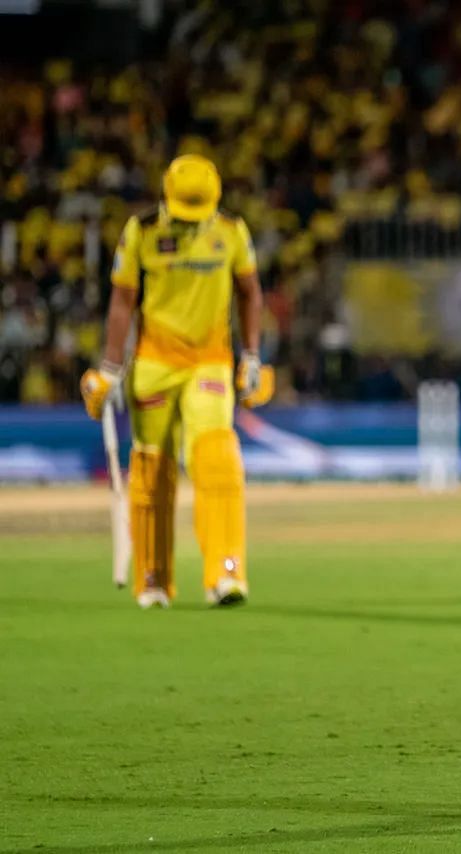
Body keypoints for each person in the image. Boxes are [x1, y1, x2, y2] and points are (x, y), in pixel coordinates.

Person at [80, 154, 274, 608]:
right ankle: (153, 579)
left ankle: (225, 574)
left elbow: (250, 293)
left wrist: (250, 357)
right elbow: (122, 303)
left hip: (209, 362)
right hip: (153, 364)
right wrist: (110, 370)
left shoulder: (231, 231)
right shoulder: (142, 231)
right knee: (150, 471)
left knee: (217, 458)